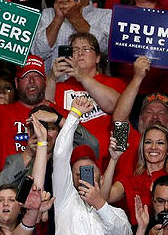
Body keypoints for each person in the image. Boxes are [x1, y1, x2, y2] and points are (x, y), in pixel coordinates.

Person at [53, 97, 131, 235]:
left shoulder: (116, 213)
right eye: (77, 172)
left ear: (101, 177)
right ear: (70, 178)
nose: (82, 176)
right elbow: (61, 154)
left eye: (89, 170)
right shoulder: (65, 202)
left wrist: (99, 204)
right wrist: (74, 115)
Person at [45, 32, 125, 167]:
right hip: (68, 162)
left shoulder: (113, 83)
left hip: (106, 161)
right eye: (75, 49)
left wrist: (81, 76)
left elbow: (114, 105)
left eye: (86, 49)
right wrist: (52, 78)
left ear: (98, 58)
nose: (80, 53)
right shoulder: (60, 87)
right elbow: (45, 108)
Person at [0, 50, 50, 172]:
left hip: (51, 187)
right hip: (8, 187)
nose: (32, 81)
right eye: (26, 76)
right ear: (17, 83)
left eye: (37, 76)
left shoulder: (59, 114)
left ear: (45, 81)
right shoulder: (1, 113)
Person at [31, 0, 112, 68]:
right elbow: (37, 53)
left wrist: (75, 17)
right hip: (53, 81)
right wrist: (58, 18)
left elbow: (104, 48)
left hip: (89, 82)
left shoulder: (105, 15)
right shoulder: (48, 14)